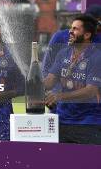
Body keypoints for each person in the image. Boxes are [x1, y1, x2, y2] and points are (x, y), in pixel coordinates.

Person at [43, 14, 101, 144]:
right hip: (61, 121)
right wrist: (33, 82)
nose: (70, 31)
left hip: (87, 124)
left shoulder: (97, 57)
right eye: (71, 28)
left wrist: (59, 96)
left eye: (75, 29)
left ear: (87, 35)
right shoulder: (63, 53)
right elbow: (50, 81)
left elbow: (90, 91)